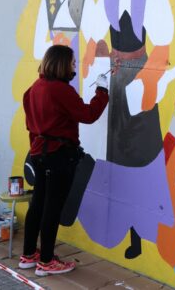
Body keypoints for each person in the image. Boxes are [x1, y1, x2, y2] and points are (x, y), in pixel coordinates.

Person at [78, 0, 175, 259]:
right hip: (117, 82)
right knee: (117, 156)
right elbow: (93, 37)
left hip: (140, 79)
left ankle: (141, 231)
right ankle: (119, 224)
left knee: (141, 155)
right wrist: (91, 56)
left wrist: (148, 79)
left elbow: (163, 44)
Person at [19, 45, 108, 276]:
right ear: (61, 64)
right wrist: (102, 91)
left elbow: (30, 125)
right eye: (72, 62)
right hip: (58, 155)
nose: (74, 66)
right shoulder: (60, 90)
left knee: (38, 204)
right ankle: (46, 261)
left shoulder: (34, 88)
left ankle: (29, 255)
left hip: (39, 153)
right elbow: (88, 115)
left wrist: (38, 148)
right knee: (53, 208)